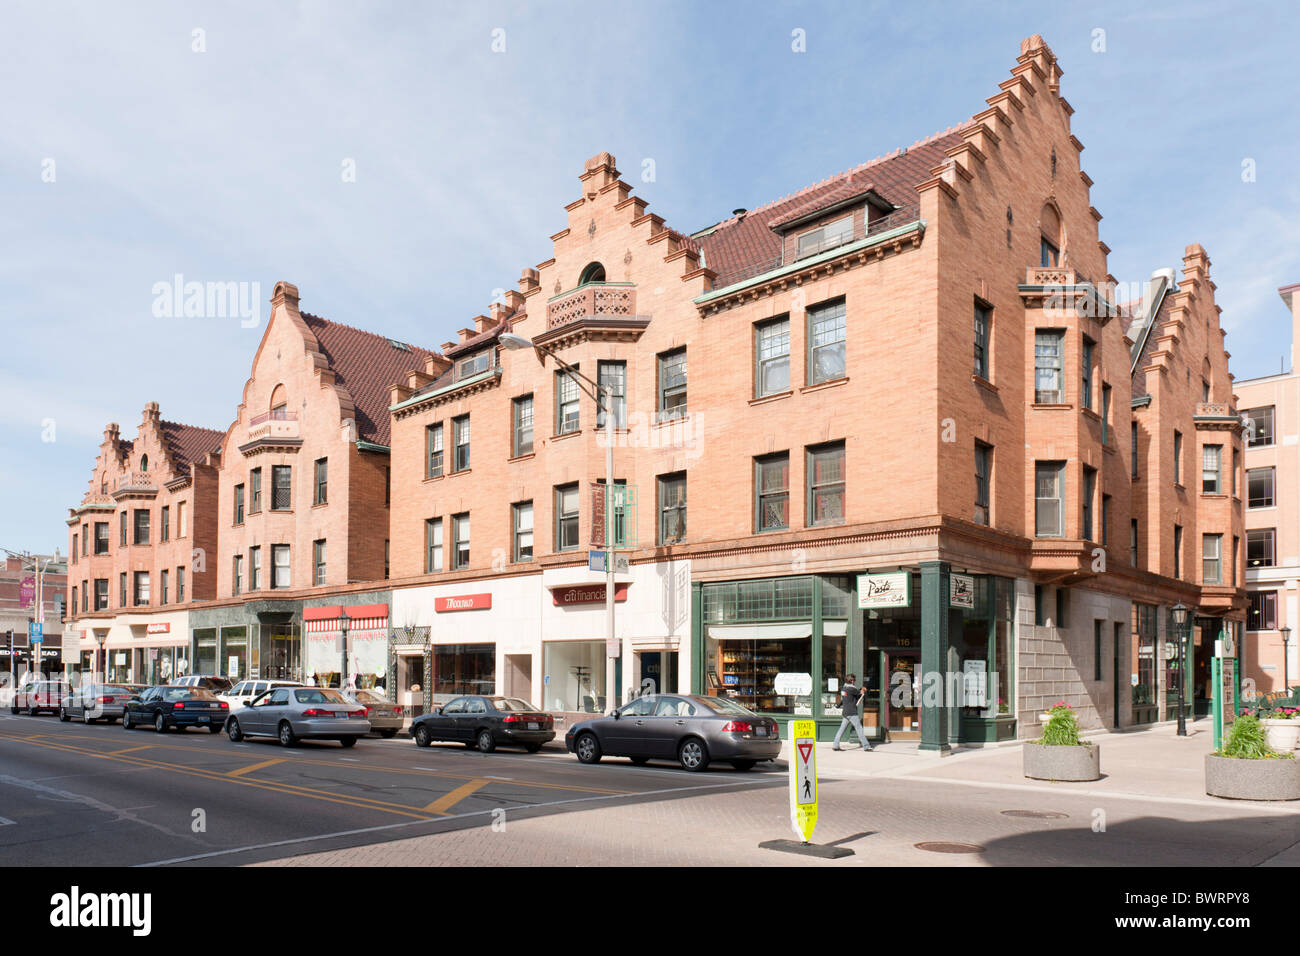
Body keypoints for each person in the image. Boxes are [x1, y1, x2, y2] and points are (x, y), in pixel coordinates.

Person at [833, 673, 872, 752]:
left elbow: (845, 699)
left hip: (845, 712)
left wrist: (838, 705)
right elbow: (859, 693)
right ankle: (866, 746)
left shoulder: (844, 689)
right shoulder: (852, 689)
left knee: (841, 729)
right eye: (854, 680)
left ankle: (835, 745)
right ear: (851, 681)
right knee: (859, 729)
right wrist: (863, 690)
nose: (855, 682)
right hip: (852, 712)